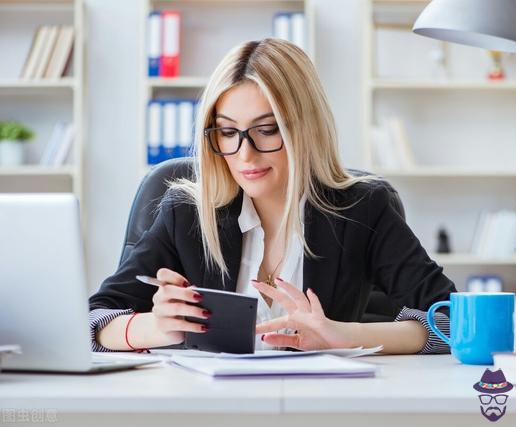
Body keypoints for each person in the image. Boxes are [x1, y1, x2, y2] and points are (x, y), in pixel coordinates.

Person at [89, 38, 456, 354]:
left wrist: (346, 334)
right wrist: (155, 327)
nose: (244, 154)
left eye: (266, 130)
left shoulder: (363, 209)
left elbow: (454, 322)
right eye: (227, 132)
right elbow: (92, 320)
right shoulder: (185, 213)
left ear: (306, 129)